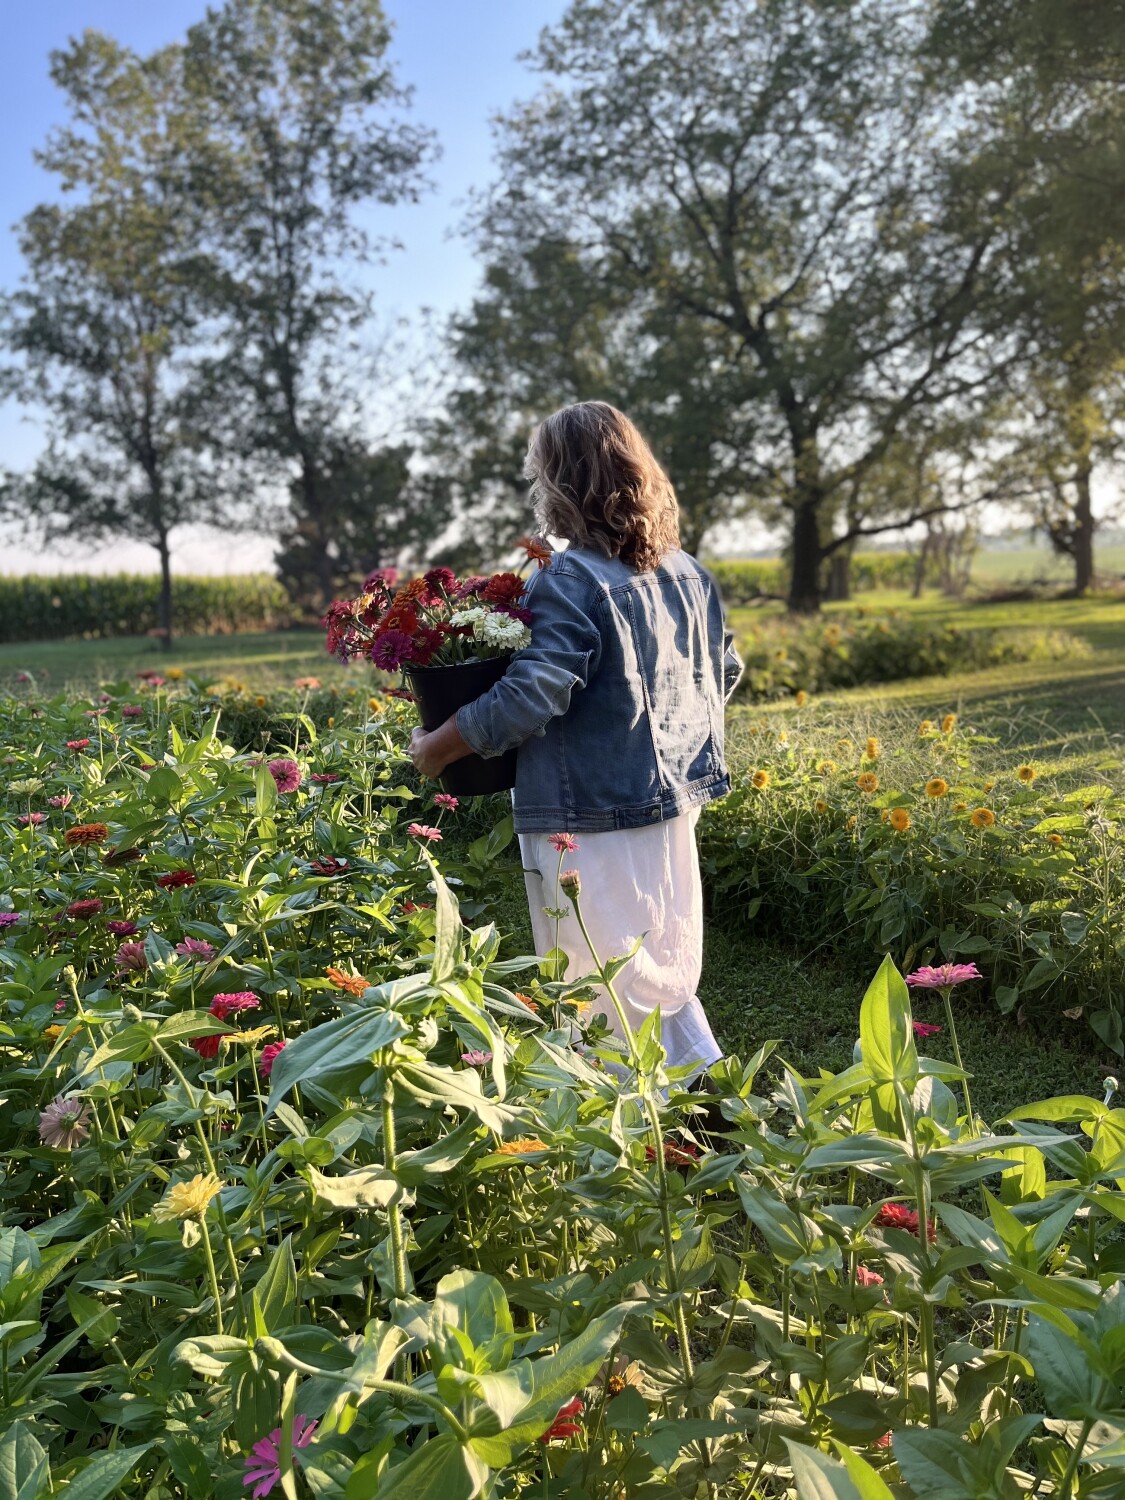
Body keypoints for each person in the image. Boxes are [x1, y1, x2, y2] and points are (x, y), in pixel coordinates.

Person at [409, 401, 742, 1075]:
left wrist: (440, 744)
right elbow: (724, 668)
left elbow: (534, 691)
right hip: (671, 800)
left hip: (586, 812)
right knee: (654, 964)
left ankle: (624, 1133)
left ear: (559, 481)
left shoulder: (572, 579)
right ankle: (703, 1091)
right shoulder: (687, 571)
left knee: (595, 978)